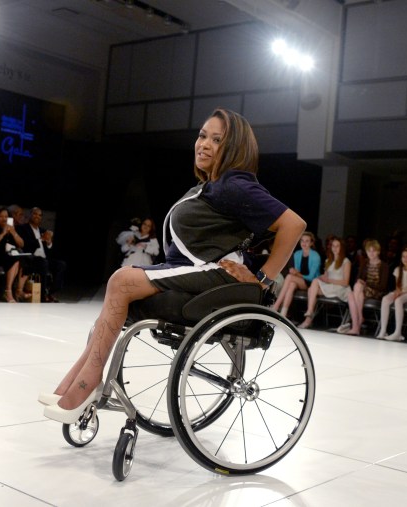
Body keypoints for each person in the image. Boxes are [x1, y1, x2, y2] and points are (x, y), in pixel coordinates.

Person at [39, 108, 306, 424]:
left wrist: (263, 279)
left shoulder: (235, 184)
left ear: (233, 148)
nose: (203, 144)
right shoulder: (208, 187)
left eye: (216, 139)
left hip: (214, 274)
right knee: (119, 288)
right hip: (198, 269)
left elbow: (294, 224)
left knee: (121, 280)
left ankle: (86, 384)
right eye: (202, 135)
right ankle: (78, 380)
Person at [339, 238, 390, 335]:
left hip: (377, 291)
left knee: (357, 288)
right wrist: (362, 284)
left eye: (373, 251)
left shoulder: (384, 266)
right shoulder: (365, 262)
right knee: (351, 294)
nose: (371, 253)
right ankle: (357, 325)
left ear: (378, 252)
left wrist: (366, 284)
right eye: (369, 251)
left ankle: (356, 324)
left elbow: (382, 286)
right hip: (362, 291)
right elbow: (358, 279)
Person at [299, 237, 351, 329]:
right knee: (313, 287)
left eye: (337, 246)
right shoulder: (328, 261)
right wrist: (321, 278)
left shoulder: (346, 262)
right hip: (330, 287)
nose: (334, 248)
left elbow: (345, 282)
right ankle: (309, 315)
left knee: (312, 289)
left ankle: (309, 316)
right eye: (333, 246)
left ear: (341, 248)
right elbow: (326, 277)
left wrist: (328, 280)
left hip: (341, 288)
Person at [17, 207, 67, 302]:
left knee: (61, 264)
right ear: (30, 215)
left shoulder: (43, 230)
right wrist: (40, 239)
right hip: (31, 258)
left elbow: (50, 251)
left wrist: (49, 243)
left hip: (44, 259)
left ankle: (51, 291)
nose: (37, 216)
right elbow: (25, 245)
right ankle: (42, 295)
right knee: (43, 263)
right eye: (35, 214)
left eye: (40, 215)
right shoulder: (23, 229)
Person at [270, 231, 321, 319]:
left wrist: (296, 274)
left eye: (307, 241)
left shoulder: (315, 256)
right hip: (299, 281)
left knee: (290, 278)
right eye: (302, 241)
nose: (304, 243)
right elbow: (296, 272)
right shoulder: (297, 254)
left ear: (311, 243)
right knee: (291, 285)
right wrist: (295, 273)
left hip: (312, 283)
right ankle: (283, 314)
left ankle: (276, 306)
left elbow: (312, 277)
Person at [377, 247, 407, 341]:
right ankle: (383, 330)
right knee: (385, 299)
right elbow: (397, 286)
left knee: (398, 300)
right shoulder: (398, 269)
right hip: (401, 292)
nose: (405, 259)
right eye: (403, 257)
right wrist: (397, 292)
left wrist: (401, 293)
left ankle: (398, 332)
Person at [0, 206, 29, 302]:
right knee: (14, 259)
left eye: (6, 216)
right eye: (1, 216)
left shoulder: (12, 229)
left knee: (26, 259)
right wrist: (2, 233)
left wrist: (13, 233)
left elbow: (21, 244)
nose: (4, 219)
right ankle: (8, 291)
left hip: (8, 255)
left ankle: (18, 290)